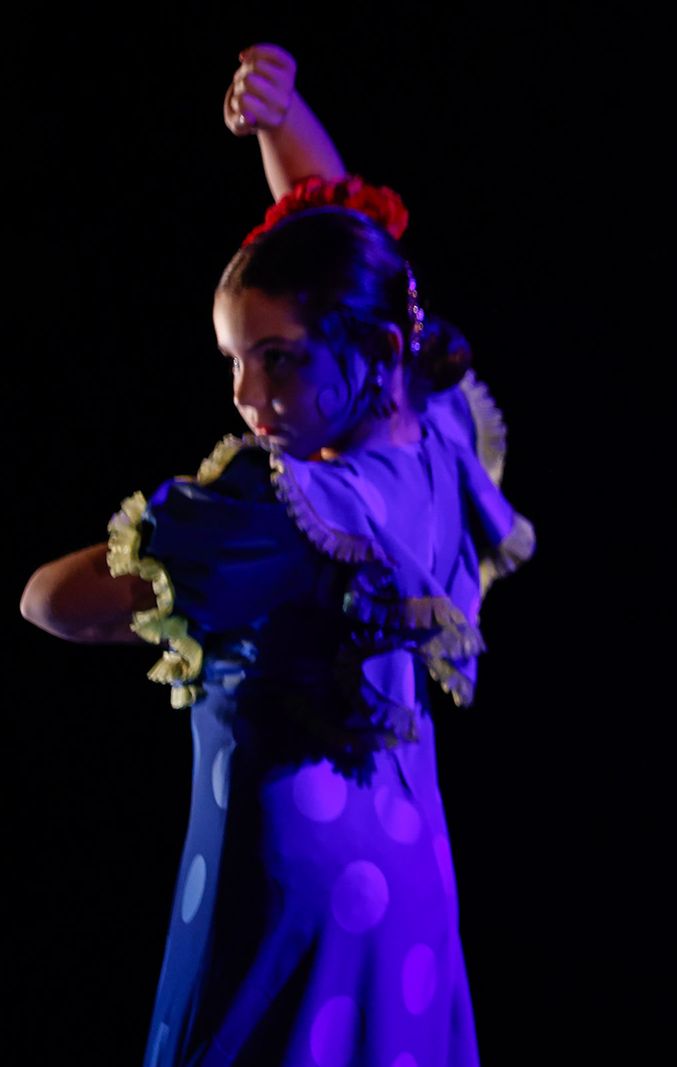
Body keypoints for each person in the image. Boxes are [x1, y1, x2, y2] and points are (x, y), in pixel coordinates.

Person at [20, 44, 533, 1067]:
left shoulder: (283, 505)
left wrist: (172, 589)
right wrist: (283, 119)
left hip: (291, 888)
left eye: (279, 360)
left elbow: (53, 600)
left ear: (370, 351)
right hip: (405, 869)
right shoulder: (429, 427)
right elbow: (342, 249)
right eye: (234, 362)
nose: (250, 401)